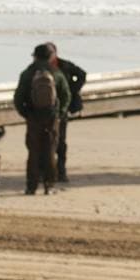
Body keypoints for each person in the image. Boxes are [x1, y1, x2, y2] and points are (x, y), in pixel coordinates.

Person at [12, 42, 68, 195]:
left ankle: (31, 187)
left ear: (35, 56)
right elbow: (66, 96)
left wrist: (27, 114)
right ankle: (48, 186)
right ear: (50, 56)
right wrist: (59, 113)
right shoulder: (56, 73)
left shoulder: (27, 73)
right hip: (51, 118)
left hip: (33, 118)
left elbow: (18, 99)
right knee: (49, 151)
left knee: (33, 152)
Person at [48, 42, 87, 186]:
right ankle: (45, 172)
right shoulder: (38, 68)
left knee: (60, 142)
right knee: (44, 142)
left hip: (61, 110)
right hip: (44, 110)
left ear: (55, 53)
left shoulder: (64, 65)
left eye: (50, 52)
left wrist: (73, 90)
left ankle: (61, 172)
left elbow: (82, 74)